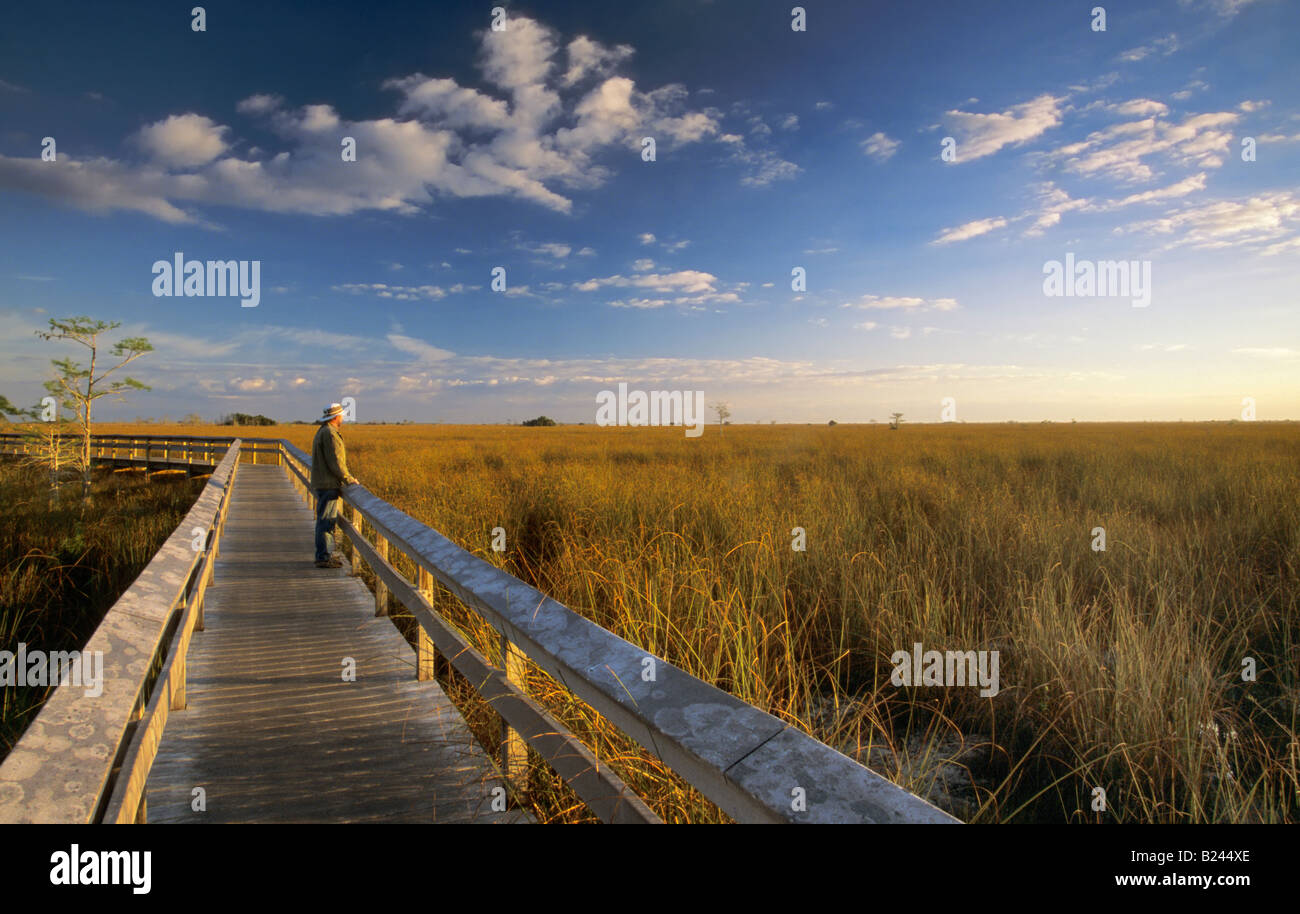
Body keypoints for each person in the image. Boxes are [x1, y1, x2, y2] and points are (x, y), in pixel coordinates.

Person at [311, 402, 359, 568]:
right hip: (328, 484)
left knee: (323, 521)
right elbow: (336, 462)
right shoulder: (331, 434)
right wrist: (348, 478)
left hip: (322, 483)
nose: (343, 418)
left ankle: (323, 555)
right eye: (342, 415)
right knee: (326, 522)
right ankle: (323, 557)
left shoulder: (322, 431)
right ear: (336, 417)